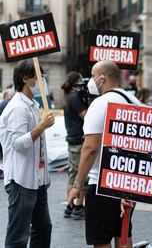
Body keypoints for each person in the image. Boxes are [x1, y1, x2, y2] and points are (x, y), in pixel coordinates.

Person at [67, 61, 141, 248]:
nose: (90, 80)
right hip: (128, 182)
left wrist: (77, 184)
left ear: (102, 78)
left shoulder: (100, 104)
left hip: (101, 184)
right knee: (123, 233)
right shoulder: (135, 101)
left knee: (101, 239)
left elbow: (90, 148)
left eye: (92, 76)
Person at [0, 59, 55, 248]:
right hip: (21, 181)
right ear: (26, 79)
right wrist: (41, 126)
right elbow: (18, 144)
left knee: (42, 228)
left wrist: (44, 175)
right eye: (39, 78)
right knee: (18, 235)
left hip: (36, 181)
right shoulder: (17, 108)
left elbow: (39, 146)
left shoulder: (31, 105)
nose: (42, 82)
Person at [61, 71, 88, 219]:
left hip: (72, 139)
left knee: (73, 174)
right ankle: (78, 206)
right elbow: (86, 116)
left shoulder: (68, 97)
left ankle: (70, 206)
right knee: (82, 174)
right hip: (79, 140)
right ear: (76, 83)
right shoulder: (74, 98)